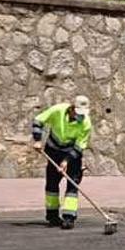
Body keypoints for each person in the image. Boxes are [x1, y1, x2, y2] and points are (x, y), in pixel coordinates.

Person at [31, 95, 93, 229]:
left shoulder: (86, 123)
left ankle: (69, 217)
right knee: (52, 184)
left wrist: (65, 162)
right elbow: (38, 121)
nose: (80, 116)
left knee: (72, 184)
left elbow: (79, 146)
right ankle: (52, 216)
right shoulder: (57, 110)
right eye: (77, 113)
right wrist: (37, 140)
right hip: (53, 151)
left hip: (72, 154)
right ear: (71, 108)